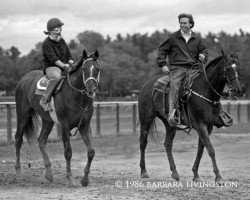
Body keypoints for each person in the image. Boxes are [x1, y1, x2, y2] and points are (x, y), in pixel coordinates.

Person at [156, 13, 208, 127]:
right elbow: (162, 50)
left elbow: (204, 51)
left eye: (184, 23)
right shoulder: (173, 37)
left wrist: (203, 55)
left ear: (191, 24)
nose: (182, 25)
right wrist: (162, 64)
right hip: (178, 68)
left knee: (207, 83)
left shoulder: (197, 39)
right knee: (175, 86)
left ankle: (218, 112)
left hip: (194, 68)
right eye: (181, 23)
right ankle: (172, 112)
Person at [40, 18, 74, 111]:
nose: (61, 28)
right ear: (53, 29)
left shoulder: (62, 41)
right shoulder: (46, 43)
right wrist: (64, 66)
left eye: (60, 27)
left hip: (64, 66)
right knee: (56, 77)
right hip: (52, 67)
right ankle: (44, 100)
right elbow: (54, 59)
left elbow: (69, 56)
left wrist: (73, 64)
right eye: (59, 26)